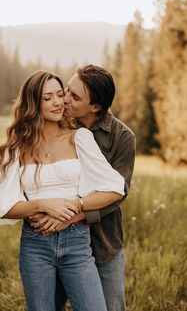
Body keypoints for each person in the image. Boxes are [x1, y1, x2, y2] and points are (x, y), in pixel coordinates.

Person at [0, 70, 126, 311]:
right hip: (36, 245)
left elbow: (115, 189)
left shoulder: (79, 138)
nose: (58, 102)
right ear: (33, 103)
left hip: (77, 243)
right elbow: (4, 207)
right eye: (48, 98)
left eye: (60, 94)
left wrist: (75, 207)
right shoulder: (16, 149)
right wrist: (42, 205)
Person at [31, 65, 136, 311]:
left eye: (74, 96)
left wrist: (73, 216)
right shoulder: (58, 125)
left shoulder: (122, 137)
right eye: (67, 90)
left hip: (103, 241)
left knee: (109, 307)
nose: (63, 99)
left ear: (95, 107)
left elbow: (118, 194)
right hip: (55, 238)